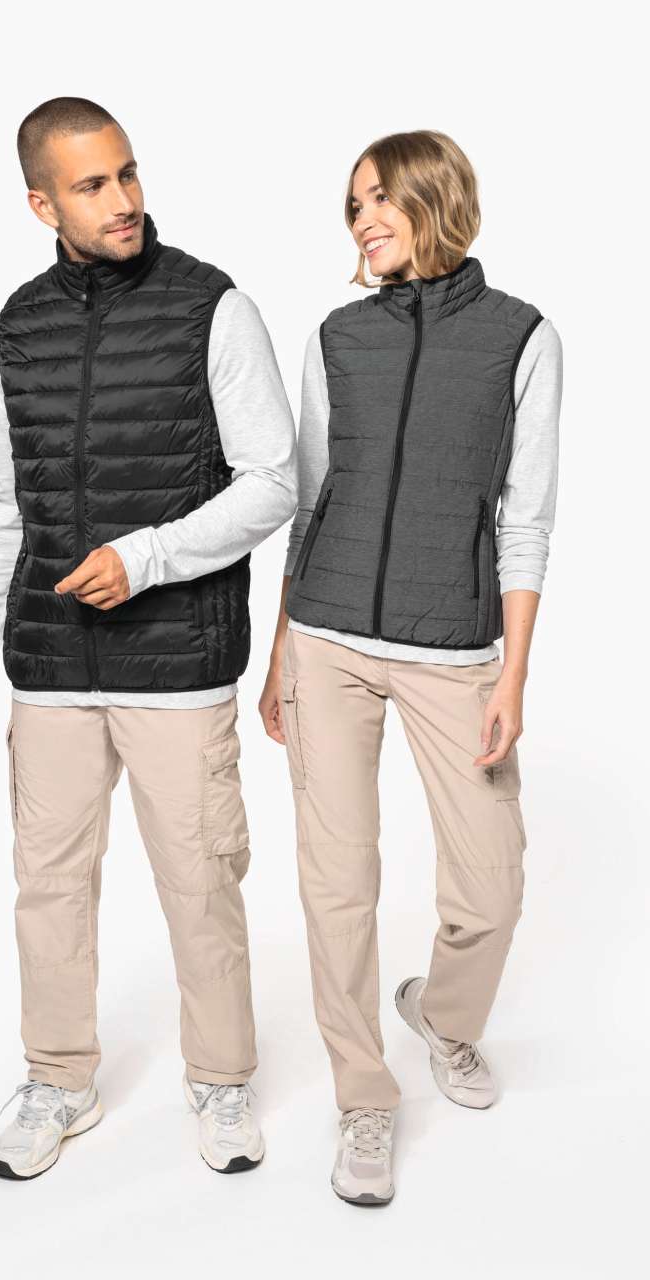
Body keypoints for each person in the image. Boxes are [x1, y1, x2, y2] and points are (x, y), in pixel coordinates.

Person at [0, 97, 298, 1181]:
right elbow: (2, 498)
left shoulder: (211, 307)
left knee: (200, 881)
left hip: (177, 660)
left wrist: (146, 558)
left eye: (128, 173)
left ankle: (222, 1079)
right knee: (47, 884)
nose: (124, 199)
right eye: (93, 185)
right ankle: (58, 1078)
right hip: (50, 664)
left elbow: (273, 480)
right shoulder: (15, 326)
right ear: (41, 203)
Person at [259, 130, 562, 1205]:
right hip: (326, 640)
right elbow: (306, 502)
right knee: (336, 886)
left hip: (455, 652)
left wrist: (511, 675)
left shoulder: (522, 337)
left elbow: (525, 519)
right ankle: (364, 1097)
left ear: (434, 198)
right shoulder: (337, 337)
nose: (363, 221)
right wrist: (278, 648)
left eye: (380, 198)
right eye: (353, 205)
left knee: (490, 888)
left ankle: (442, 1017)